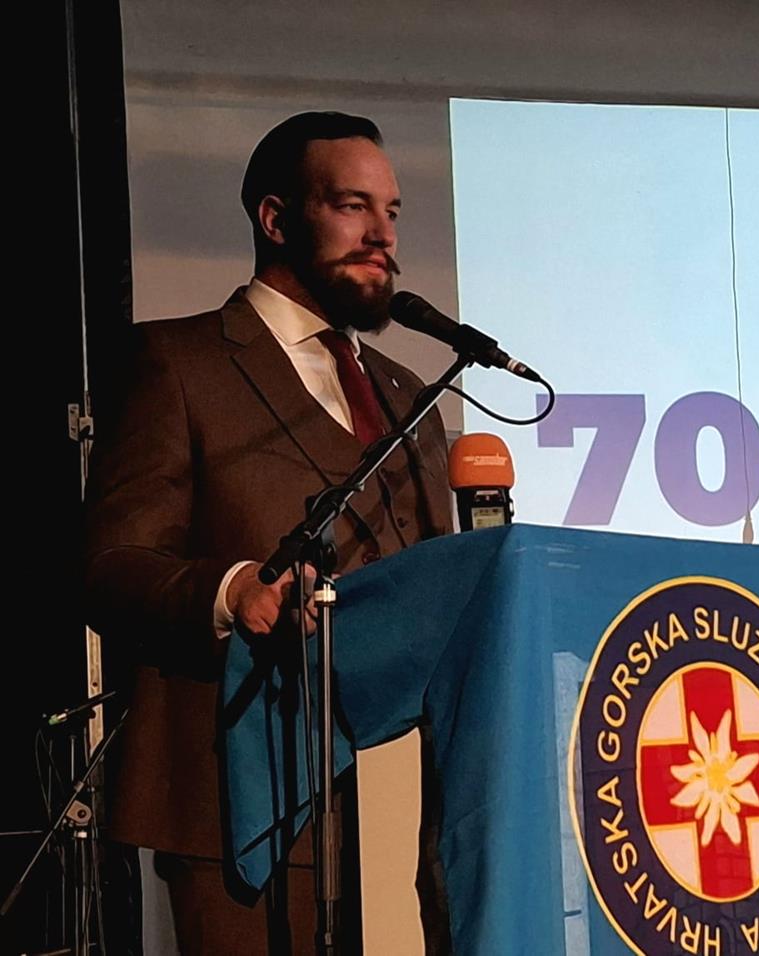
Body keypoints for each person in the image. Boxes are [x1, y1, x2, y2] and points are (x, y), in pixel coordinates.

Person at [84, 111, 453, 955]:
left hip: (409, 810)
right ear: (277, 218)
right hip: (245, 804)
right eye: (353, 206)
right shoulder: (178, 363)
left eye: (392, 212)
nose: (383, 235)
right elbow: (109, 564)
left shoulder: (412, 395)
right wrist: (230, 591)